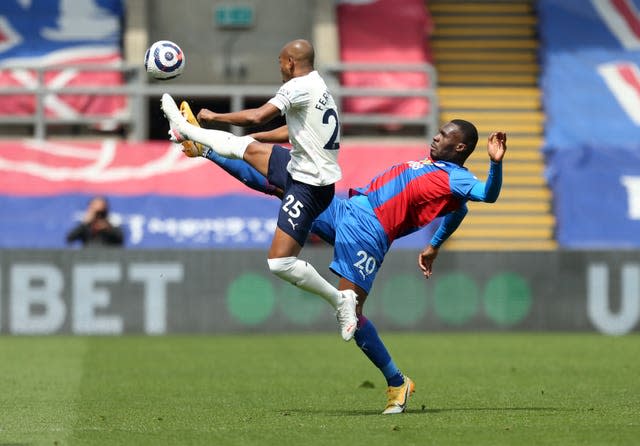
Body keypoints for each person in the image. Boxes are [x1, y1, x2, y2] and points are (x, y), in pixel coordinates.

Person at [176, 108, 507, 414]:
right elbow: (457, 209)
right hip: (348, 210)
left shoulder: (457, 177)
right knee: (283, 185)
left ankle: (398, 381)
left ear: (460, 147)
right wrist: (434, 245)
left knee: (351, 311)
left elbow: (485, 196)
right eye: (438, 131)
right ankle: (203, 149)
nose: (436, 136)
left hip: (369, 233)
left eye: (444, 135)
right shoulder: (437, 171)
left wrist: (495, 163)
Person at [160, 39, 359, 342]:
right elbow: (295, 129)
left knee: (280, 263)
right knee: (245, 152)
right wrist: (259, 138)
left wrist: (215, 117)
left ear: (291, 62)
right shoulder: (318, 84)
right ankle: (198, 142)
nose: (279, 67)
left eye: (280, 61)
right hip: (302, 168)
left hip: (309, 187)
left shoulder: (295, 87)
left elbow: (257, 115)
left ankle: (340, 301)